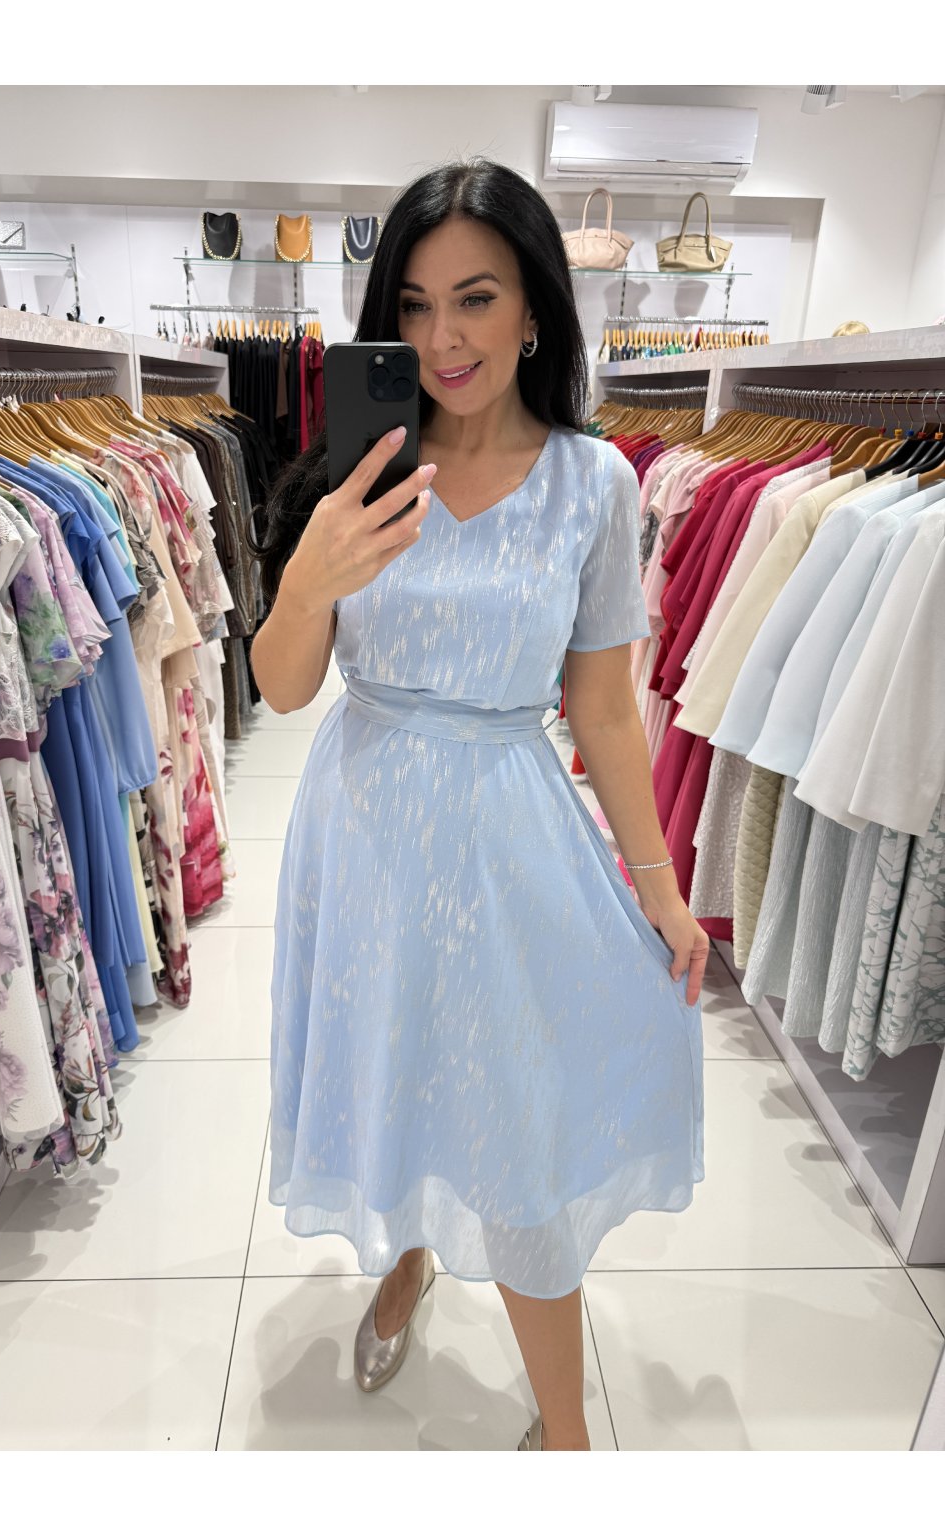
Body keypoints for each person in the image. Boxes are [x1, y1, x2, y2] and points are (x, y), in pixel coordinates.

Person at [250, 159, 708, 1453]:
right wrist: (310, 578)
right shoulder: (359, 470)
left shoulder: (593, 484)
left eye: (476, 298)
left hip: (509, 832)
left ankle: (564, 1435)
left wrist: (662, 888)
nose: (443, 337)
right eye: (413, 303)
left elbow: (604, 708)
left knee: (515, 1131)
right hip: (363, 826)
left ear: (535, 311)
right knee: (394, 1069)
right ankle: (407, 1258)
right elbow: (282, 687)